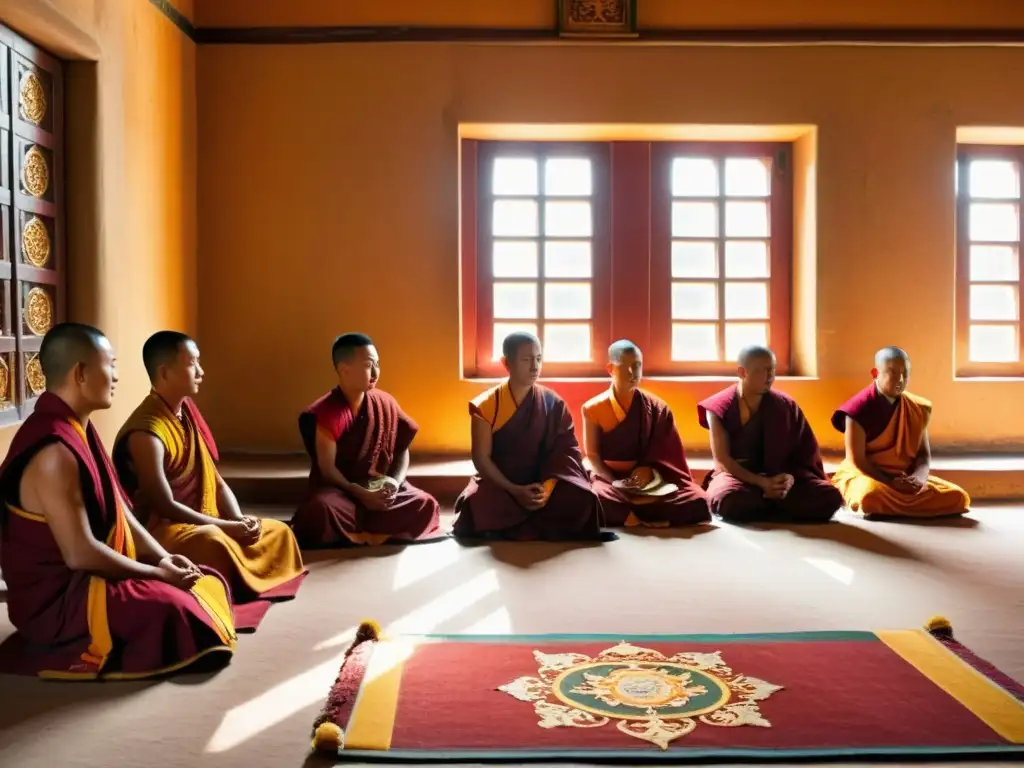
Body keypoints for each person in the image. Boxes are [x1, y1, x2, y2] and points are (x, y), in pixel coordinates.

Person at [0, 323, 236, 679]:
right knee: (176, 609)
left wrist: (164, 557)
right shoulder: (53, 451)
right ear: (81, 373)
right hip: (61, 601)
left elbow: (121, 512)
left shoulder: (79, 429)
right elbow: (80, 553)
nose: (117, 376)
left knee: (206, 582)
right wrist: (158, 574)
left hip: (90, 576)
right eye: (110, 364)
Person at [113, 332, 306, 632]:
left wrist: (239, 519)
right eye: (192, 364)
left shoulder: (185, 414)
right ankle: (234, 581)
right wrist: (224, 528)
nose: (201, 372)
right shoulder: (146, 432)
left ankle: (239, 574)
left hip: (206, 520)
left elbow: (214, 481)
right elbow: (164, 504)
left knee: (279, 531)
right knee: (214, 543)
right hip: (165, 530)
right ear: (164, 372)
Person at [289, 333, 442, 547]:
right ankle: (373, 531)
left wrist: (395, 483)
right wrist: (358, 492)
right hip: (343, 492)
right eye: (369, 365)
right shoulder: (328, 412)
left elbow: (401, 449)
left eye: (378, 364)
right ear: (345, 369)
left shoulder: (384, 402)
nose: (376, 372)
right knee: (320, 511)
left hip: (379, 489)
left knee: (425, 504)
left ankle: (361, 535)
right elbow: (327, 469)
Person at [452, 332, 607, 541]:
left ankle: (515, 522)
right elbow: (481, 457)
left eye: (538, 358)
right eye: (526, 360)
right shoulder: (486, 406)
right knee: (476, 501)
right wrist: (514, 490)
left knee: (582, 498)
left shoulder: (553, 403)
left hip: (541, 480)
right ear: (506, 363)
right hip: (502, 483)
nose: (535, 367)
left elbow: (566, 452)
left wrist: (548, 488)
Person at [697, 345, 842, 524]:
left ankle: (767, 504)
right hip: (739, 477)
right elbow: (723, 460)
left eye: (772, 370)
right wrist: (761, 482)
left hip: (778, 475)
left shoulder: (784, 405)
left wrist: (788, 479)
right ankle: (778, 506)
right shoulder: (719, 407)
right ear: (742, 372)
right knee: (730, 500)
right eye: (761, 371)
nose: (769, 377)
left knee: (830, 497)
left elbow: (803, 453)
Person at [830, 346, 970, 519]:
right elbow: (857, 461)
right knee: (870, 497)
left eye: (905, 373)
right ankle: (891, 505)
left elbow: (923, 456)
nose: (900, 379)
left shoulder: (917, 408)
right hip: (867, 476)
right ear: (875, 373)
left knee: (957, 497)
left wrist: (919, 478)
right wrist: (890, 483)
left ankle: (894, 507)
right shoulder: (858, 409)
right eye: (892, 372)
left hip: (903, 479)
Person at [582, 340, 710, 527]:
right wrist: (615, 485)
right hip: (609, 476)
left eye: (637, 366)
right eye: (625, 368)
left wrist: (650, 471)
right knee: (595, 497)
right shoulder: (593, 408)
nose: (633, 374)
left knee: (699, 499)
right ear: (610, 369)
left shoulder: (656, 407)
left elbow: (668, 454)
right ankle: (648, 516)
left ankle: (631, 516)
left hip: (650, 480)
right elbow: (593, 456)